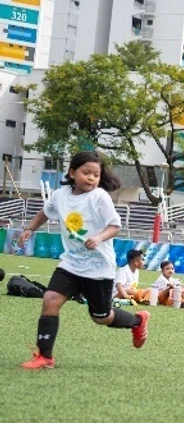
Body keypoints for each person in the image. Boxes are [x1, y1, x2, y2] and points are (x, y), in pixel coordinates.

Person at [19, 151, 149, 369]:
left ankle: (138, 321)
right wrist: (29, 229)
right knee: (50, 299)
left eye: (96, 175)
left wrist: (98, 237)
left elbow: (115, 225)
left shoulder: (99, 197)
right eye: (86, 172)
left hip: (99, 268)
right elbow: (45, 212)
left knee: (101, 317)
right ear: (72, 173)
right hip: (71, 263)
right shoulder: (59, 196)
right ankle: (45, 357)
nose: (91, 178)